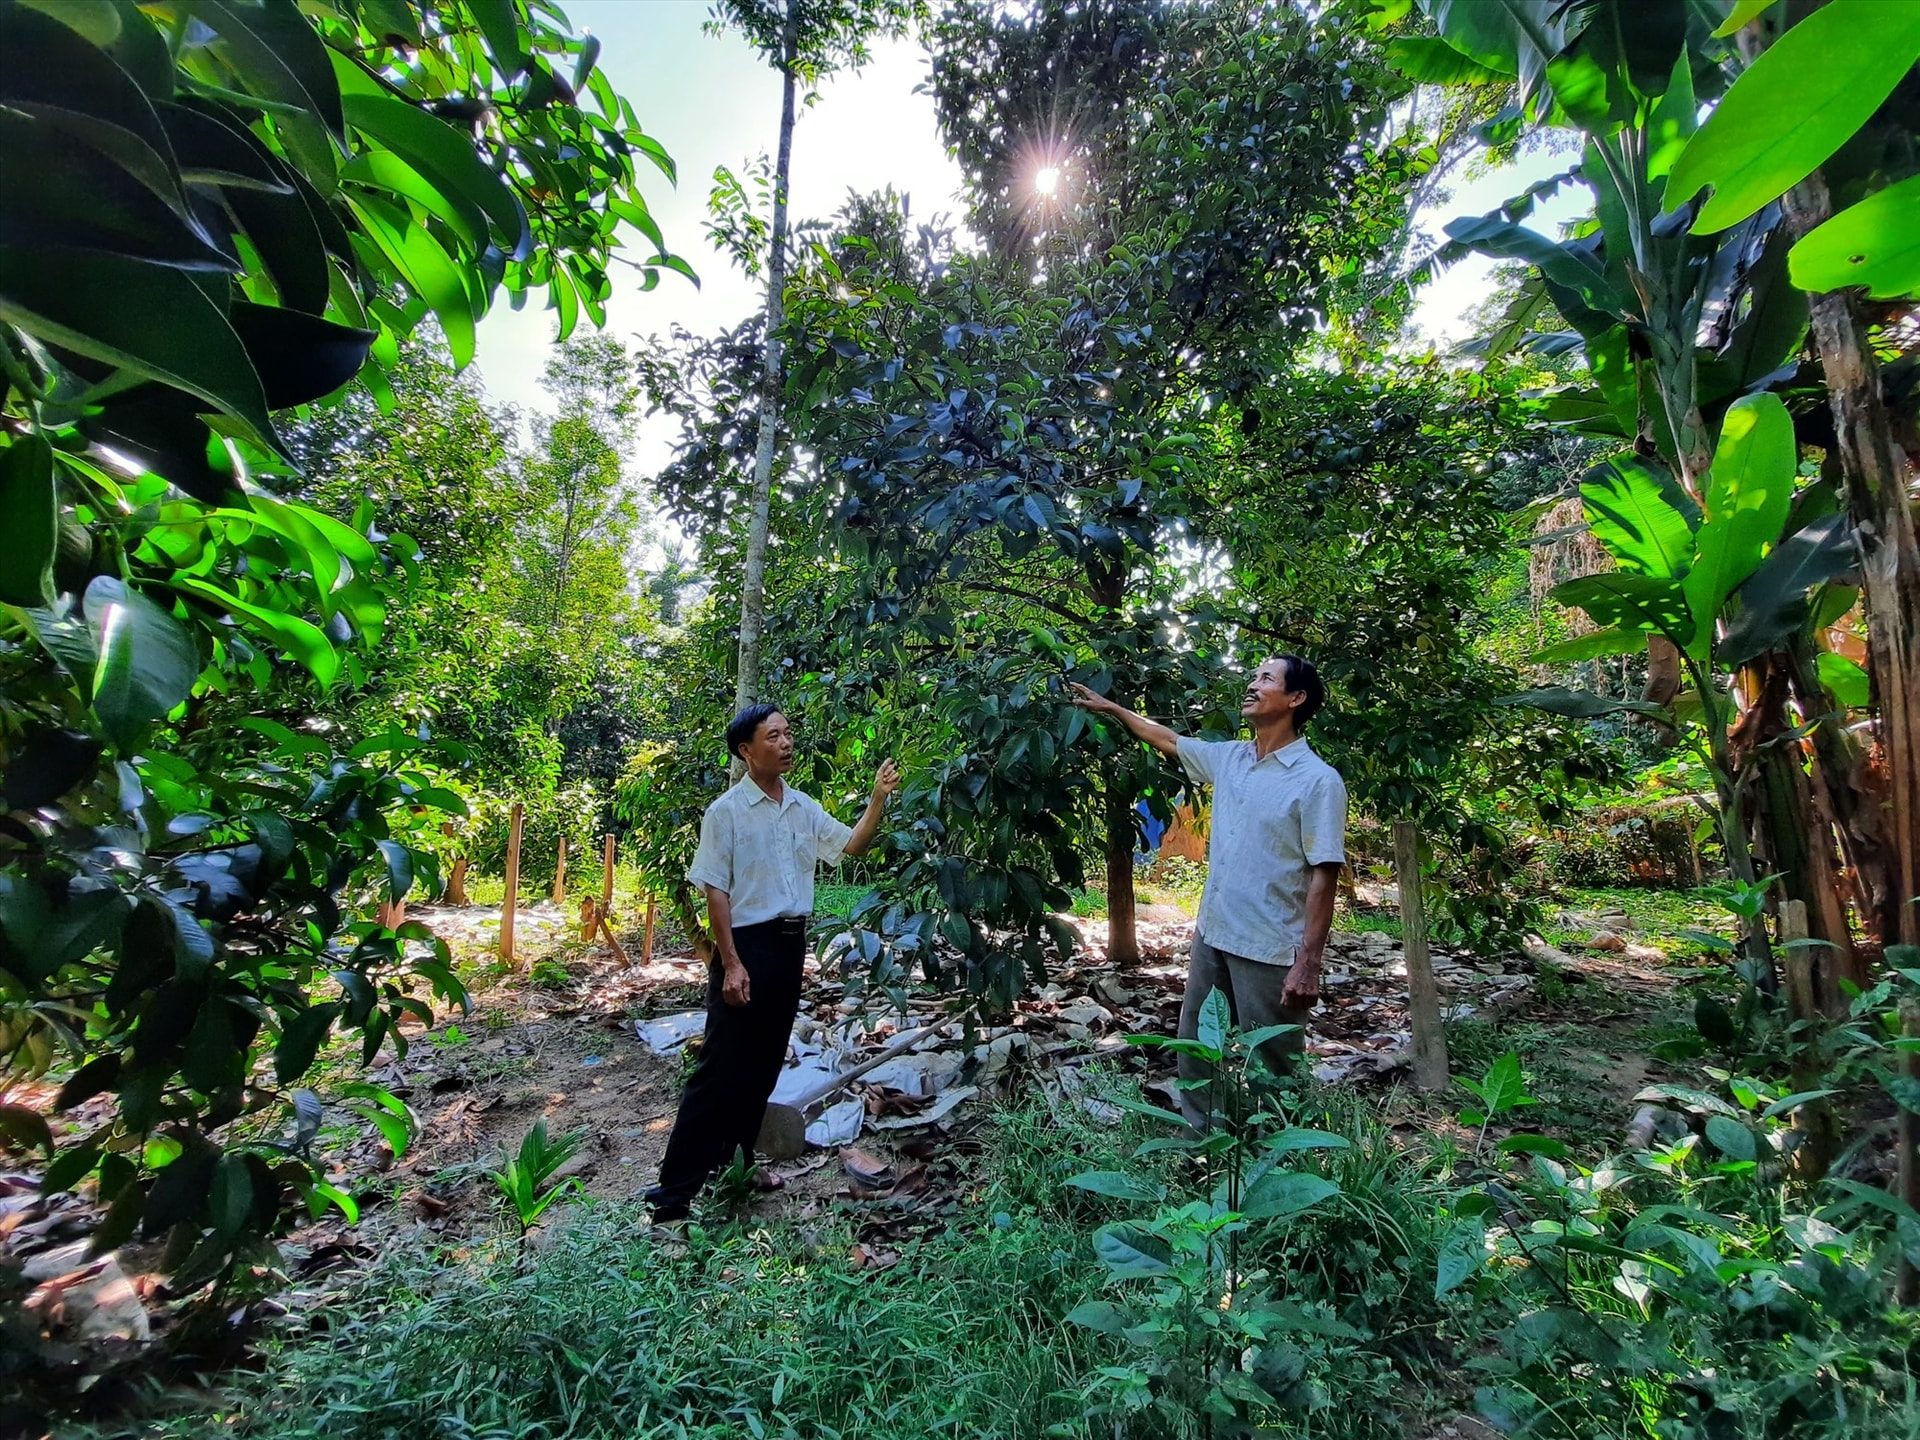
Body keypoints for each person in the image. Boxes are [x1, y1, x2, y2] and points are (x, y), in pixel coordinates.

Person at [646, 704, 900, 1222]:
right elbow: (716, 891)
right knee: (719, 1070)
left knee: (762, 1066)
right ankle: (673, 1193)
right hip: (746, 947)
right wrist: (732, 964)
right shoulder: (726, 813)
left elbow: (851, 846)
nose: (786, 743)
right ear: (746, 750)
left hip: (788, 946)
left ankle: (734, 1166)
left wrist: (877, 799)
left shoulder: (803, 807)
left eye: (788, 733)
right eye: (773, 736)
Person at [1070, 656, 1345, 1127]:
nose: (1252, 686)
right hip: (1214, 933)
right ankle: (1205, 1145)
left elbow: (1324, 876)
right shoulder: (1234, 758)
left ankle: (1277, 1157)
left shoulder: (1317, 781)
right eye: (1253, 676)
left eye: (1266, 679)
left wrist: (1308, 963)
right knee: (1198, 1045)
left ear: (1296, 699)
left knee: (1274, 1063)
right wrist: (1114, 709)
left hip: (1270, 946)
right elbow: (1169, 740)